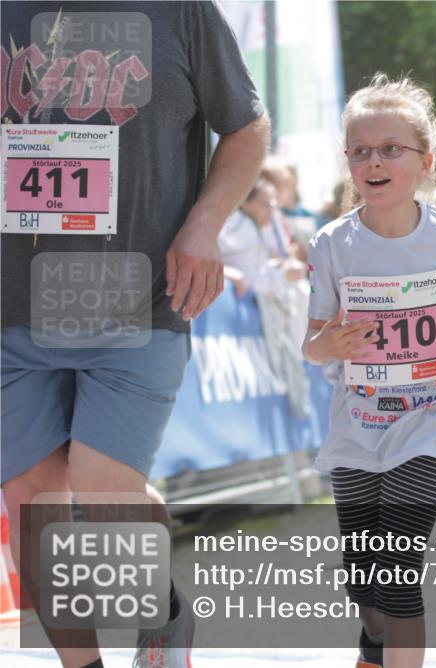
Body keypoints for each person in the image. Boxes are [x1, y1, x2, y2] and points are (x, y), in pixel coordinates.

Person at [0, 3, 269, 668]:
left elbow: (247, 127)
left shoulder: (180, 10)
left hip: (140, 300)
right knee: (32, 498)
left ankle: (165, 617)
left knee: (102, 491)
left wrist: (205, 224)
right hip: (11, 308)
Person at [302, 73, 436, 668]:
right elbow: (311, 346)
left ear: (425, 162)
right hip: (357, 425)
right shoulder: (332, 244)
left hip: (429, 420)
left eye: (391, 149)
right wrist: (332, 342)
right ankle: (373, 647)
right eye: (360, 150)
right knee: (365, 585)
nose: (374, 161)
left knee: (397, 567)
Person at [220, 177, 311, 415]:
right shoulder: (240, 227)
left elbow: (255, 270)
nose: (272, 210)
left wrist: (280, 270)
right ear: (245, 203)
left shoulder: (250, 226)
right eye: (265, 204)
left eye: (274, 204)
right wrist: (284, 276)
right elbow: (253, 280)